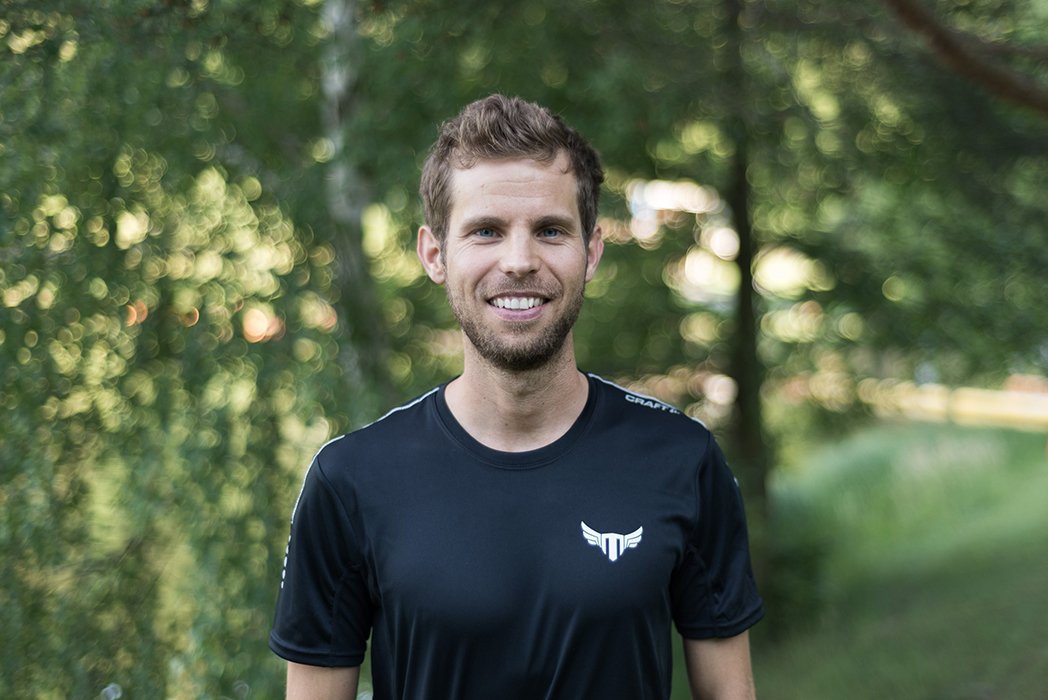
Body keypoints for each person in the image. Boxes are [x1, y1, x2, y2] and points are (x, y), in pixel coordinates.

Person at [269, 94, 764, 699]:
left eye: (551, 231)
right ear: (435, 254)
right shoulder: (350, 480)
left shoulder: (681, 459)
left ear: (592, 253)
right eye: (486, 231)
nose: (520, 261)